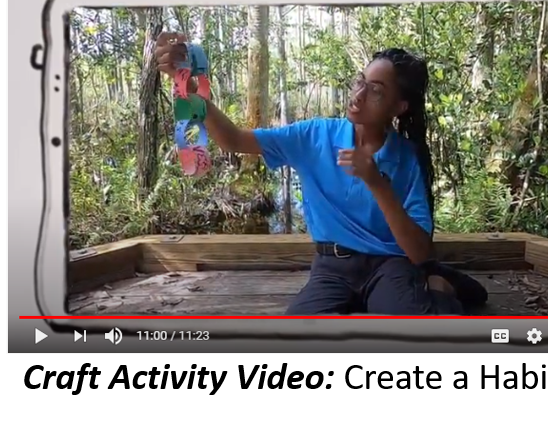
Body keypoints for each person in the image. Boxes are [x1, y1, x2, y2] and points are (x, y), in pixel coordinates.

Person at [155, 32, 488, 315]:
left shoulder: (405, 157)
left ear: (399, 107)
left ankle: (438, 287)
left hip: (391, 264)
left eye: (376, 90)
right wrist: (188, 85)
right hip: (332, 266)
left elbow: (418, 252)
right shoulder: (314, 136)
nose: (358, 95)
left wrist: (377, 183)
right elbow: (235, 140)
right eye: (361, 81)